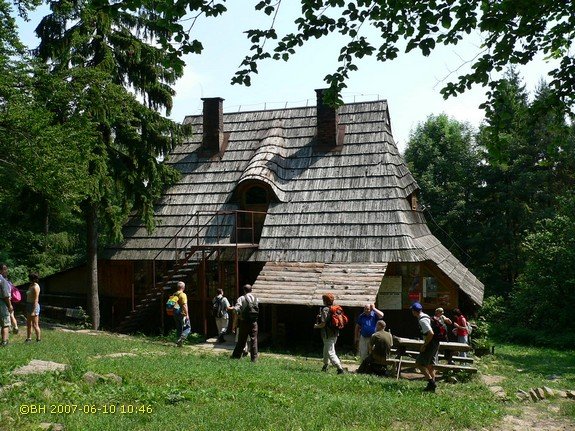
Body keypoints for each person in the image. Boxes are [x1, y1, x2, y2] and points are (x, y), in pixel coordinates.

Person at [313, 293, 344, 374]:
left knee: (330, 352)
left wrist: (316, 326)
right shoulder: (336, 308)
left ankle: (340, 369)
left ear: (325, 301)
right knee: (326, 349)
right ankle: (325, 365)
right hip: (335, 333)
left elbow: (323, 324)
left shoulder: (325, 310)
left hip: (327, 334)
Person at [411, 302, 439, 392]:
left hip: (430, 343)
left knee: (419, 363)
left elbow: (431, 333)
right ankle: (432, 387)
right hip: (435, 342)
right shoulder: (426, 316)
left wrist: (424, 345)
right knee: (430, 365)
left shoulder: (422, 320)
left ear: (414, 311)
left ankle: (431, 382)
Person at [230, 284, 258, 362]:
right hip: (254, 322)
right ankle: (254, 359)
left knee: (241, 340)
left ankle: (236, 356)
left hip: (244, 322)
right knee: (254, 340)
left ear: (244, 291)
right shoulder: (256, 299)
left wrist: (237, 314)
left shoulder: (241, 298)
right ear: (251, 290)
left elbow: (236, 309)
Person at [172, 281, 190, 347]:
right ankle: (181, 340)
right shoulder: (183, 294)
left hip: (175, 313)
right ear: (183, 287)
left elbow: (173, 304)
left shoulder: (174, 294)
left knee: (179, 328)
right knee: (187, 328)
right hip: (182, 314)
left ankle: (178, 343)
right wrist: (187, 314)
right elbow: (184, 305)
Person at [25, 272, 41, 343]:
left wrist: (34, 311)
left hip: (34, 306)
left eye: (30, 278)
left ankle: (38, 339)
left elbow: (36, 300)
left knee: (35, 325)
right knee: (28, 324)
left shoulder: (36, 287)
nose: (29, 279)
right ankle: (29, 339)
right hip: (29, 305)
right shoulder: (31, 285)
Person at [0, 264, 13, 347]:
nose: (6, 271)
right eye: (5, 269)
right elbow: (5, 296)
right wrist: (10, 306)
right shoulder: (3, 280)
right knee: (5, 323)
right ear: (1, 270)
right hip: (2, 303)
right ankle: (4, 342)